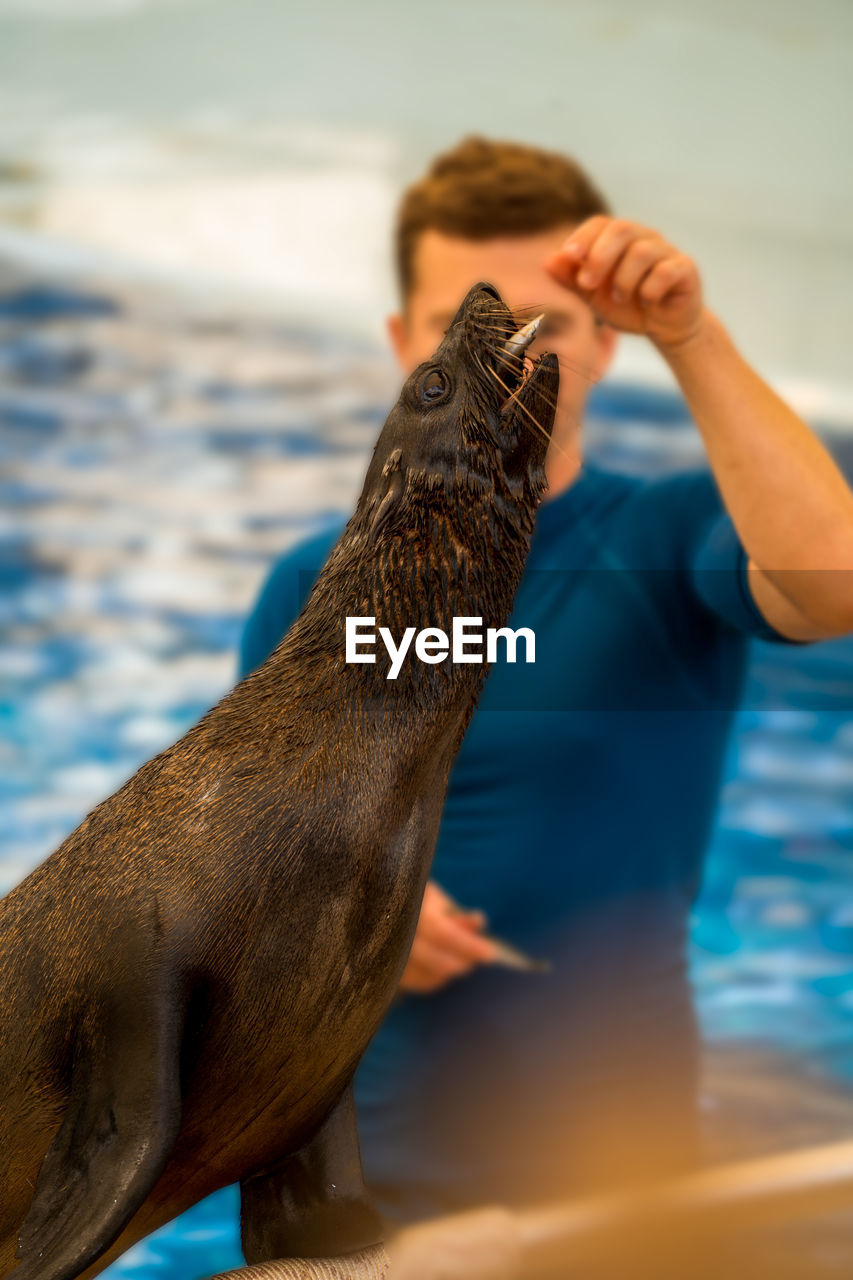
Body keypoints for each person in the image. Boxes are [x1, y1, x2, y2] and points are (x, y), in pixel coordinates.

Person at [237, 137, 853, 1225]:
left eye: (549, 327)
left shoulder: (664, 541)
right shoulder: (312, 587)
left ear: (606, 344)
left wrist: (692, 335)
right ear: (401, 342)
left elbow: (836, 585)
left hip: (610, 1185)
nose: (510, 362)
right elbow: (236, 880)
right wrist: (354, 917)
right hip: (349, 1186)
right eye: (461, 327)